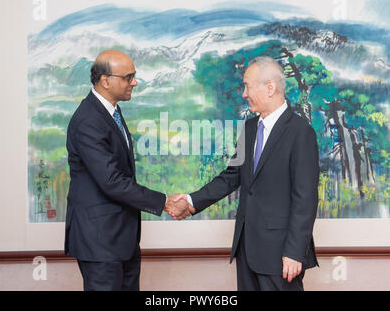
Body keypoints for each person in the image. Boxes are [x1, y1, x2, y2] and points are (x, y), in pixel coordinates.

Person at [172, 56, 319, 291]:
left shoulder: (301, 133)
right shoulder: (250, 128)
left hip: (281, 255)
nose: (243, 93)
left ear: (270, 87)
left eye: (247, 85)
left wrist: (294, 252)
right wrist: (190, 201)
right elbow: (232, 176)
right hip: (247, 249)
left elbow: (306, 199)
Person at [64, 50, 192, 291]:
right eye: (128, 77)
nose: (134, 82)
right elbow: (112, 180)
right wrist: (164, 201)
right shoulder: (88, 120)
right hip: (100, 242)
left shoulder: (110, 111)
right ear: (105, 80)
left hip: (121, 240)